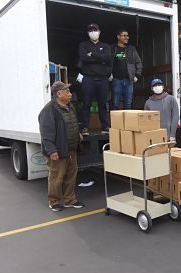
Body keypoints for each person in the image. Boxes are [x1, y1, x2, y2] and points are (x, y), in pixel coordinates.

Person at [38, 81, 85, 211]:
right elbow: (46, 133)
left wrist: (78, 133)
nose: (70, 94)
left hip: (71, 149)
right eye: (67, 92)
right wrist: (52, 150)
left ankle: (70, 200)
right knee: (56, 177)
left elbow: (72, 123)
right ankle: (54, 202)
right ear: (59, 94)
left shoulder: (70, 106)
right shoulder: (49, 110)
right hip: (57, 150)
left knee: (71, 175)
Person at [78, 23, 111, 136]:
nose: (93, 32)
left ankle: (105, 126)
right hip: (88, 78)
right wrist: (99, 58)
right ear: (88, 33)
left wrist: (92, 54)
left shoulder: (106, 46)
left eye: (95, 30)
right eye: (91, 30)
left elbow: (107, 58)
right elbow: (83, 58)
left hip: (102, 79)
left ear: (99, 31)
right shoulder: (83, 45)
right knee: (86, 103)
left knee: (103, 103)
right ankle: (85, 127)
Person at [110, 29, 142, 110]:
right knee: (115, 103)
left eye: (127, 36)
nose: (126, 37)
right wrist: (108, 74)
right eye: (124, 35)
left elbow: (138, 62)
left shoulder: (131, 49)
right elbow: (106, 62)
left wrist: (137, 75)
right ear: (118, 36)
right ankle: (115, 122)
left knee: (128, 104)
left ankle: (127, 122)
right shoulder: (112, 48)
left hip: (129, 80)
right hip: (116, 80)